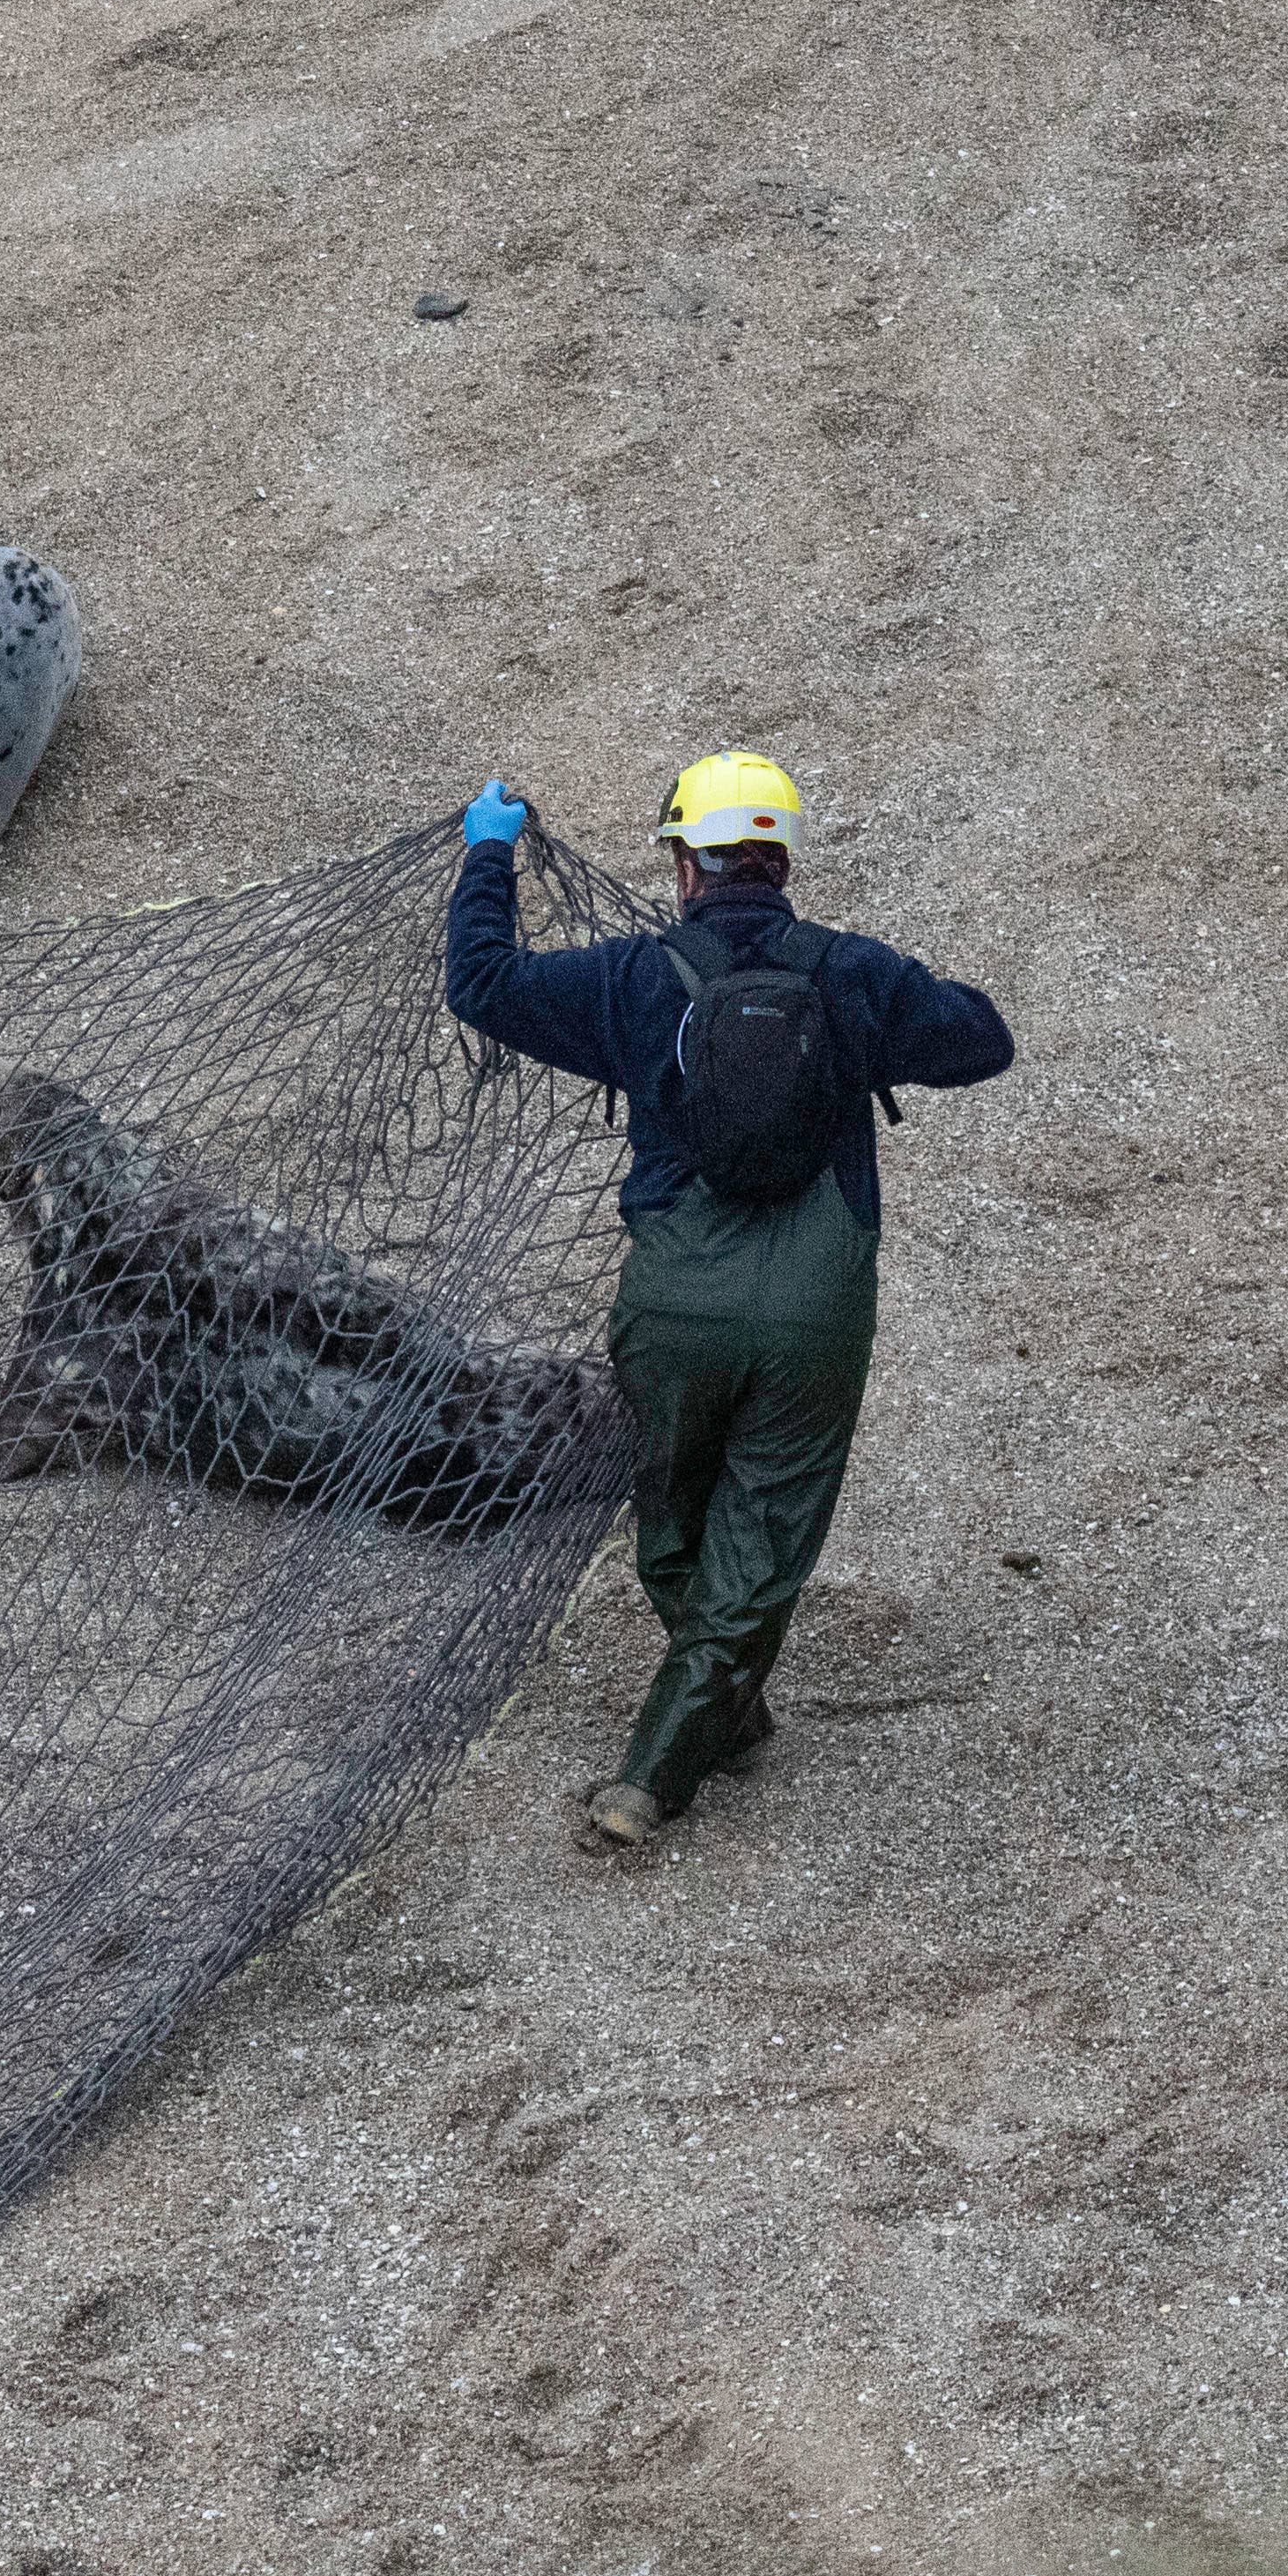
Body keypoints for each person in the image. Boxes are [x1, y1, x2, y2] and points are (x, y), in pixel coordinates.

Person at [443, 752, 1013, 1850]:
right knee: (762, 1535)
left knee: (675, 1525)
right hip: (813, 1305)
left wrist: (489, 852)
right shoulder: (849, 971)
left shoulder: (629, 978)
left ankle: (695, 1734)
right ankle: (676, 1753)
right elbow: (981, 1041)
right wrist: (894, 995)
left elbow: (482, 982)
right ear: (781, 859)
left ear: (680, 862)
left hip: (672, 1298)